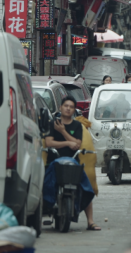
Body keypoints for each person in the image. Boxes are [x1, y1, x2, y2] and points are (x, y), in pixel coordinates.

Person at [44, 96, 101, 231]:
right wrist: (68, 143)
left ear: (74, 110)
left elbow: (77, 145)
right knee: (45, 184)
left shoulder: (77, 126)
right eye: (66, 106)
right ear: (60, 107)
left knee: (86, 187)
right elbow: (49, 142)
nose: (68, 108)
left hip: (73, 163)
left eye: (71, 106)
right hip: (54, 162)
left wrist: (63, 131)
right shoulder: (52, 123)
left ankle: (90, 221)